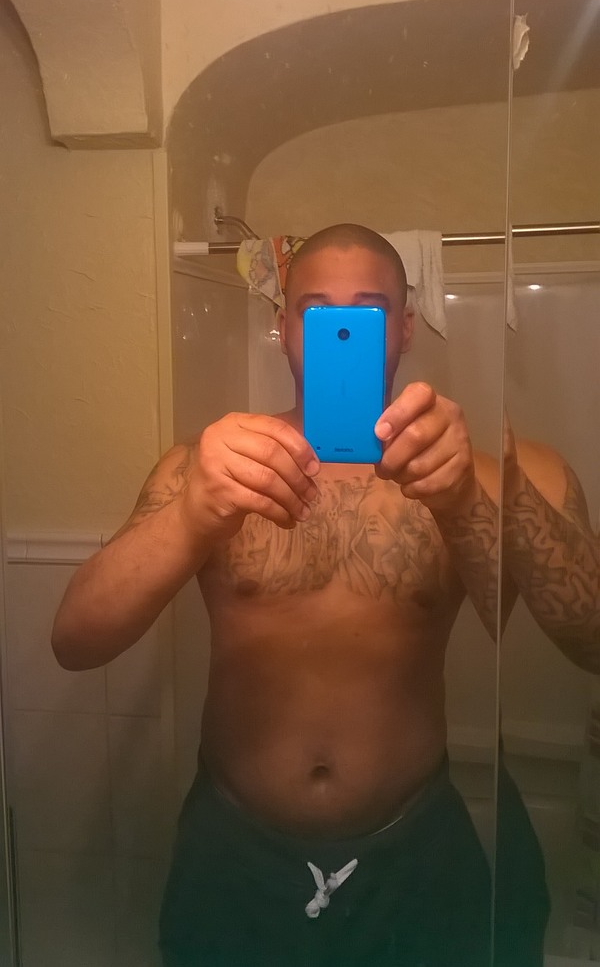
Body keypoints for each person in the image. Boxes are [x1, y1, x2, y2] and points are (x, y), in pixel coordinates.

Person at [53, 224, 555, 967]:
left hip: (414, 845)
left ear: (405, 327)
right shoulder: (210, 468)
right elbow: (75, 641)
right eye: (316, 311)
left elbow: (514, 627)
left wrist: (460, 505)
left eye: (369, 311)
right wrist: (193, 515)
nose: (341, 330)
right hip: (234, 847)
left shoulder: (456, 477)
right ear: (283, 327)